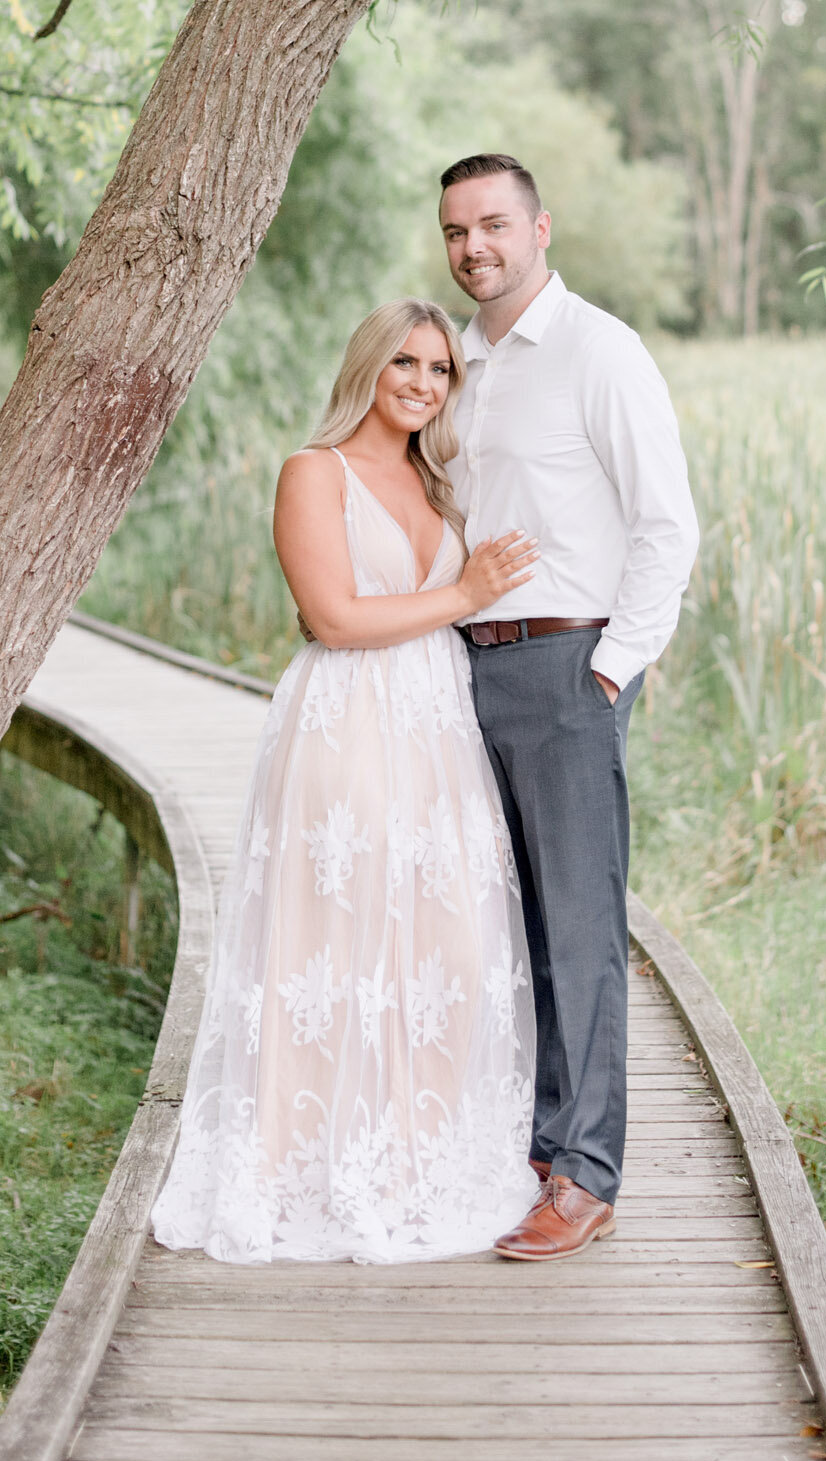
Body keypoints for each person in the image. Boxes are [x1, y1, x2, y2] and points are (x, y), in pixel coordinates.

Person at [150, 299, 542, 1263]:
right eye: (404, 362)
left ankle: (415, 1156)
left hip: (438, 726)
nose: (421, 382)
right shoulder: (311, 474)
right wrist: (466, 594)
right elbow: (331, 616)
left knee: (442, 941)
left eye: (441, 369)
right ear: (368, 366)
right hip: (347, 722)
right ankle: (304, 1161)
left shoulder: (439, 483)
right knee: (339, 941)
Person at [439, 153, 700, 1261]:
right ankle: (540, 1146)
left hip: (565, 667)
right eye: (455, 231)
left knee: (581, 934)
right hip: (463, 668)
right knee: (508, 925)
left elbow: (666, 524)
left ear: (541, 227)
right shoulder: (458, 361)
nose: (474, 247)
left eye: (494, 223)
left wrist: (612, 668)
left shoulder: (601, 352)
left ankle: (586, 1176)